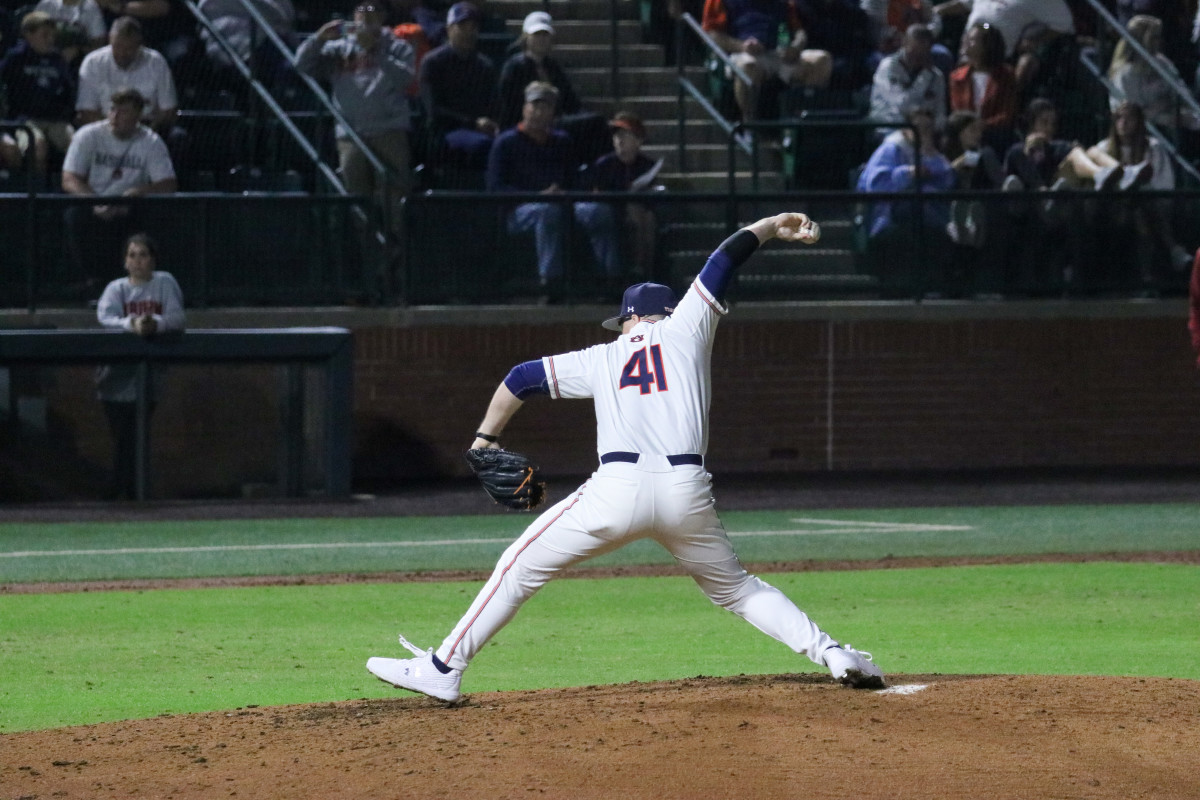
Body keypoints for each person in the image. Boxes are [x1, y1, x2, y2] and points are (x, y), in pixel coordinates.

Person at [364, 211, 886, 703]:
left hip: (616, 491)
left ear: (630, 318)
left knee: (519, 567)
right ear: (667, 310)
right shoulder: (687, 328)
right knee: (739, 591)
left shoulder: (603, 357)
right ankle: (834, 653)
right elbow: (725, 257)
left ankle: (443, 668)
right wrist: (773, 225)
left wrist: (484, 439)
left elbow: (520, 378)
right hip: (687, 492)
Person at [486, 81, 621, 298]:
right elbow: (495, 188)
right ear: (524, 108)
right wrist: (537, 196)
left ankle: (609, 280)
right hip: (520, 210)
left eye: (546, 107)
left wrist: (588, 187)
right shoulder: (506, 143)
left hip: (564, 202)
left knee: (598, 210)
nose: (540, 112)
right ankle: (551, 284)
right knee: (546, 211)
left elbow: (574, 179)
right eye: (535, 105)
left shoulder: (562, 141)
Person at [296, 3, 415, 230]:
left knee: (394, 202)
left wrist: (376, 52)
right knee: (358, 203)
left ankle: (399, 258)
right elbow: (301, 64)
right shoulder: (338, 48)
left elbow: (406, 80)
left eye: (373, 12)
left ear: (382, 17)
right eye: (361, 11)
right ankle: (370, 258)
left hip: (389, 132)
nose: (366, 18)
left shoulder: (398, 46)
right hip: (351, 135)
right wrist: (319, 38)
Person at [95, 231, 185, 500]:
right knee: (123, 437)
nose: (137, 261)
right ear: (125, 261)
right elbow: (105, 316)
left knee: (135, 435)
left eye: (143, 255)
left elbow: (177, 317)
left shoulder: (164, 282)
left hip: (148, 378)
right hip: (114, 378)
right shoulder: (116, 288)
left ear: (153, 259)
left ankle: (125, 494)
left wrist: (154, 324)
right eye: (132, 255)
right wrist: (131, 324)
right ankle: (127, 492)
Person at [62, 87, 177, 287]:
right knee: (74, 215)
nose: (115, 116)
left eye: (123, 111)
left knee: (157, 214)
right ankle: (93, 282)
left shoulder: (150, 141)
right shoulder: (88, 135)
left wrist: (138, 193)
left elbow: (168, 184)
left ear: (138, 115)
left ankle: (143, 281)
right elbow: (69, 178)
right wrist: (95, 201)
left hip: (130, 206)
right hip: (96, 202)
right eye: (113, 109)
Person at [1084, 100, 1191, 282]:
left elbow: (1163, 185)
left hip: (1149, 207)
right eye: (1119, 118)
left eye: (1129, 118)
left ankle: (1146, 278)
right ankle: (1173, 250)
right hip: (1112, 209)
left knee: (1142, 210)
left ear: (1139, 122)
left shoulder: (1153, 148)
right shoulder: (1103, 149)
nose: (1123, 123)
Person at [856, 98, 955, 295]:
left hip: (929, 218)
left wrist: (928, 153)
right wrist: (908, 172)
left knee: (932, 219)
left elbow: (947, 181)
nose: (922, 131)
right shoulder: (891, 149)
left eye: (927, 127)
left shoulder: (933, 153)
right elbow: (876, 186)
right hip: (891, 217)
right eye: (917, 126)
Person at [496, 10, 608, 164]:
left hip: (556, 119)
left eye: (545, 35)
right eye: (537, 35)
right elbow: (508, 103)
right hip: (531, 121)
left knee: (595, 124)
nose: (541, 39)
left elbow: (570, 101)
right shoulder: (514, 67)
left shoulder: (552, 66)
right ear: (526, 37)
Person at [75, 16, 186, 164]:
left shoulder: (156, 62)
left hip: (149, 128)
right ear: (110, 40)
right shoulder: (93, 63)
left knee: (178, 138)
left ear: (139, 45)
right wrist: (115, 131)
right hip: (105, 128)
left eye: (128, 49)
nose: (122, 54)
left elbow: (168, 110)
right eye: (118, 47)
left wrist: (142, 133)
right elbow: (86, 112)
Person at [701, 0, 833, 123]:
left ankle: (800, 124)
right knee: (748, 66)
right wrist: (741, 46)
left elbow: (799, 32)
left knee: (821, 60)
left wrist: (796, 47)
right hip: (743, 53)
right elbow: (711, 34)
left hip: (778, 54)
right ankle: (750, 126)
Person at [418, 1, 499, 172]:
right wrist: (473, 123)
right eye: (462, 26)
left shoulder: (485, 64)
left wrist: (493, 124)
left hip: (482, 130)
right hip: (445, 132)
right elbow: (433, 111)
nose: (469, 32)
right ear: (449, 29)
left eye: (473, 27)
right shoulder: (433, 62)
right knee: (485, 145)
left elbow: (495, 104)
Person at [0, 11, 76, 177]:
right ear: (29, 34)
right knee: (37, 144)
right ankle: (38, 195)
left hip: (56, 120)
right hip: (26, 119)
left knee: (76, 143)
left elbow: (68, 90)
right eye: (44, 35)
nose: (50, 40)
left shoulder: (57, 59)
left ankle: (68, 191)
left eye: (52, 35)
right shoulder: (16, 58)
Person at [587, 111, 662, 279]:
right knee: (634, 212)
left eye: (625, 135)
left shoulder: (646, 164)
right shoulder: (604, 164)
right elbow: (597, 193)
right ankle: (636, 269)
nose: (619, 140)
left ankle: (646, 271)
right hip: (612, 211)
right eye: (616, 136)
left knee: (648, 219)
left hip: (642, 211)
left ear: (638, 140)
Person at [1107, 14, 1200, 134]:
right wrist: (1165, 104)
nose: (1159, 41)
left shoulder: (1162, 62)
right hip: (1142, 126)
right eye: (1154, 37)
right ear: (1141, 39)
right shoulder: (1125, 72)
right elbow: (1134, 111)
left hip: (1171, 115)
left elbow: (1182, 92)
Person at [947, 21, 1017, 153]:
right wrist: (970, 126)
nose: (966, 42)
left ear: (987, 45)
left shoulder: (1006, 76)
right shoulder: (957, 77)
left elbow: (1006, 112)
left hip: (993, 133)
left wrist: (983, 125)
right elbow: (957, 110)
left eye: (972, 40)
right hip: (964, 133)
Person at [868, 23, 947, 132]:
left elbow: (940, 112)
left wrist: (937, 129)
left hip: (922, 131)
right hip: (889, 127)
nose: (916, 59)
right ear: (904, 43)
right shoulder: (888, 67)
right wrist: (924, 78)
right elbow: (902, 105)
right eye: (913, 53)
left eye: (921, 55)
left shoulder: (936, 76)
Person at [32, 0, 107, 66]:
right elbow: (32, 35)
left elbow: (99, 43)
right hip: (47, 59)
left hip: (79, 62)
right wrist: (53, 53)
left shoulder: (91, 7)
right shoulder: (46, 4)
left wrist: (79, 51)